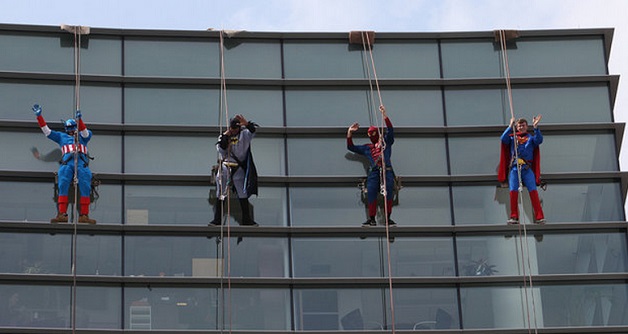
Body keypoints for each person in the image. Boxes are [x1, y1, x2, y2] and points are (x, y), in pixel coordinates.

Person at [32, 104, 96, 224]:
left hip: (82, 164)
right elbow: (47, 132)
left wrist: (80, 120)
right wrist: (39, 117)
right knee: (63, 184)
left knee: (85, 186)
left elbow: (85, 132)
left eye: (73, 127)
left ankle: (84, 215)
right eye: (69, 128)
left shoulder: (83, 136)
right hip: (67, 163)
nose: (71, 130)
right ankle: (62, 214)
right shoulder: (61, 137)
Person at [347, 105, 396, 227]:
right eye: (369, 134)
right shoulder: (368, 148)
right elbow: (351, 147)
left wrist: (385, 115)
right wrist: (349, 133)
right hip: (374, 171)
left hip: (387, 170)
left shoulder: (386, 142)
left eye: (373, 133)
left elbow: (390, 130)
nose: (371, 135)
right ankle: (372, 219)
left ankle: (388, 219)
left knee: (389, 191)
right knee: (372, 192)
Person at [209, 114, 259, 226]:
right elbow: (221, 149)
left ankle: (246, 219)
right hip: (226, 166)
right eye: (232, 128)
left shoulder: (245, 134)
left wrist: (246, 124)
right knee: (221, 193)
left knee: (242, 193)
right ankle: (217, 220)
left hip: (238, 167)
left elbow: (253, 130)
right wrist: (226, 137)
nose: (234, 131)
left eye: (236, 128)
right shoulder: (224, 136)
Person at [499, 115, 546, 225]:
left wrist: (536, 127)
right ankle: (514, 216)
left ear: (526, 126)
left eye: (523, 125)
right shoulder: (512, 138)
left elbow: (539, 140)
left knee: (533, 191)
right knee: (513, 192)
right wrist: (510, 126)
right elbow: (503, 139)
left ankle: (539, 216)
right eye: (519, 125)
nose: (521, 127)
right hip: (515, 169)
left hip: (526, 168)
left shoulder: (531, 138)